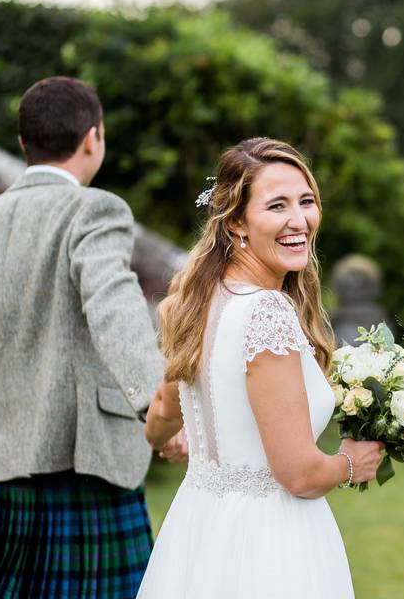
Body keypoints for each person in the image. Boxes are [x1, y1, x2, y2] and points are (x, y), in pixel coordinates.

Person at [0, 76, 181, 598]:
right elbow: (116, 308)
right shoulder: (96, 210)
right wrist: (158, 404)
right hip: (88, 468)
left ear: (23, 143)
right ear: (93, 138)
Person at [138, 138, 384, 598]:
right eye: (277, 206)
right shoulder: (266, 312)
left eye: (306, 201)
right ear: (236, 224)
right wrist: (353, 463)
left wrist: (179, 437)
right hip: (270, 543)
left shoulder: (197, 300)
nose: (299, 221)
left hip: (200, 527)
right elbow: (300, 473)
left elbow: (160, 414)